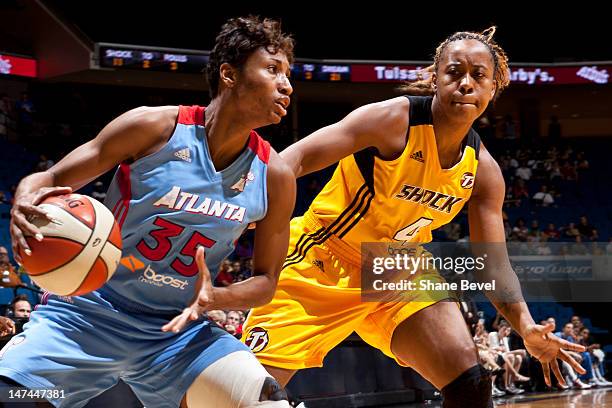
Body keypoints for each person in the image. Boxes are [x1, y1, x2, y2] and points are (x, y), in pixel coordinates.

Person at [244, 27, 586, 407]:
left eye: (479, 75)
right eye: (454, 72)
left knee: (470, 384)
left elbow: (493, 265)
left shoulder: (484, 172)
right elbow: (298, 158)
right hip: (323, 255)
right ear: (435, 78)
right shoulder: (393, 120)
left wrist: (525, 326)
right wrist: (254, 201)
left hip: (398, 266)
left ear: (494, 88)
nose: (466, 84)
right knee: (246, 394)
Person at [2, 16, 296, 408]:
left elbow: (266, 281)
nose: (287, 85)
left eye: (288, 74)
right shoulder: (153, 127)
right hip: (87, 315)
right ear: (229, 74)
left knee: (268, 402)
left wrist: (216, 296)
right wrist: (24, 195)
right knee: (14, 398)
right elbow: (52, 177)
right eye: (273, 70)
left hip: (178, 333)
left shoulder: (275, 175)